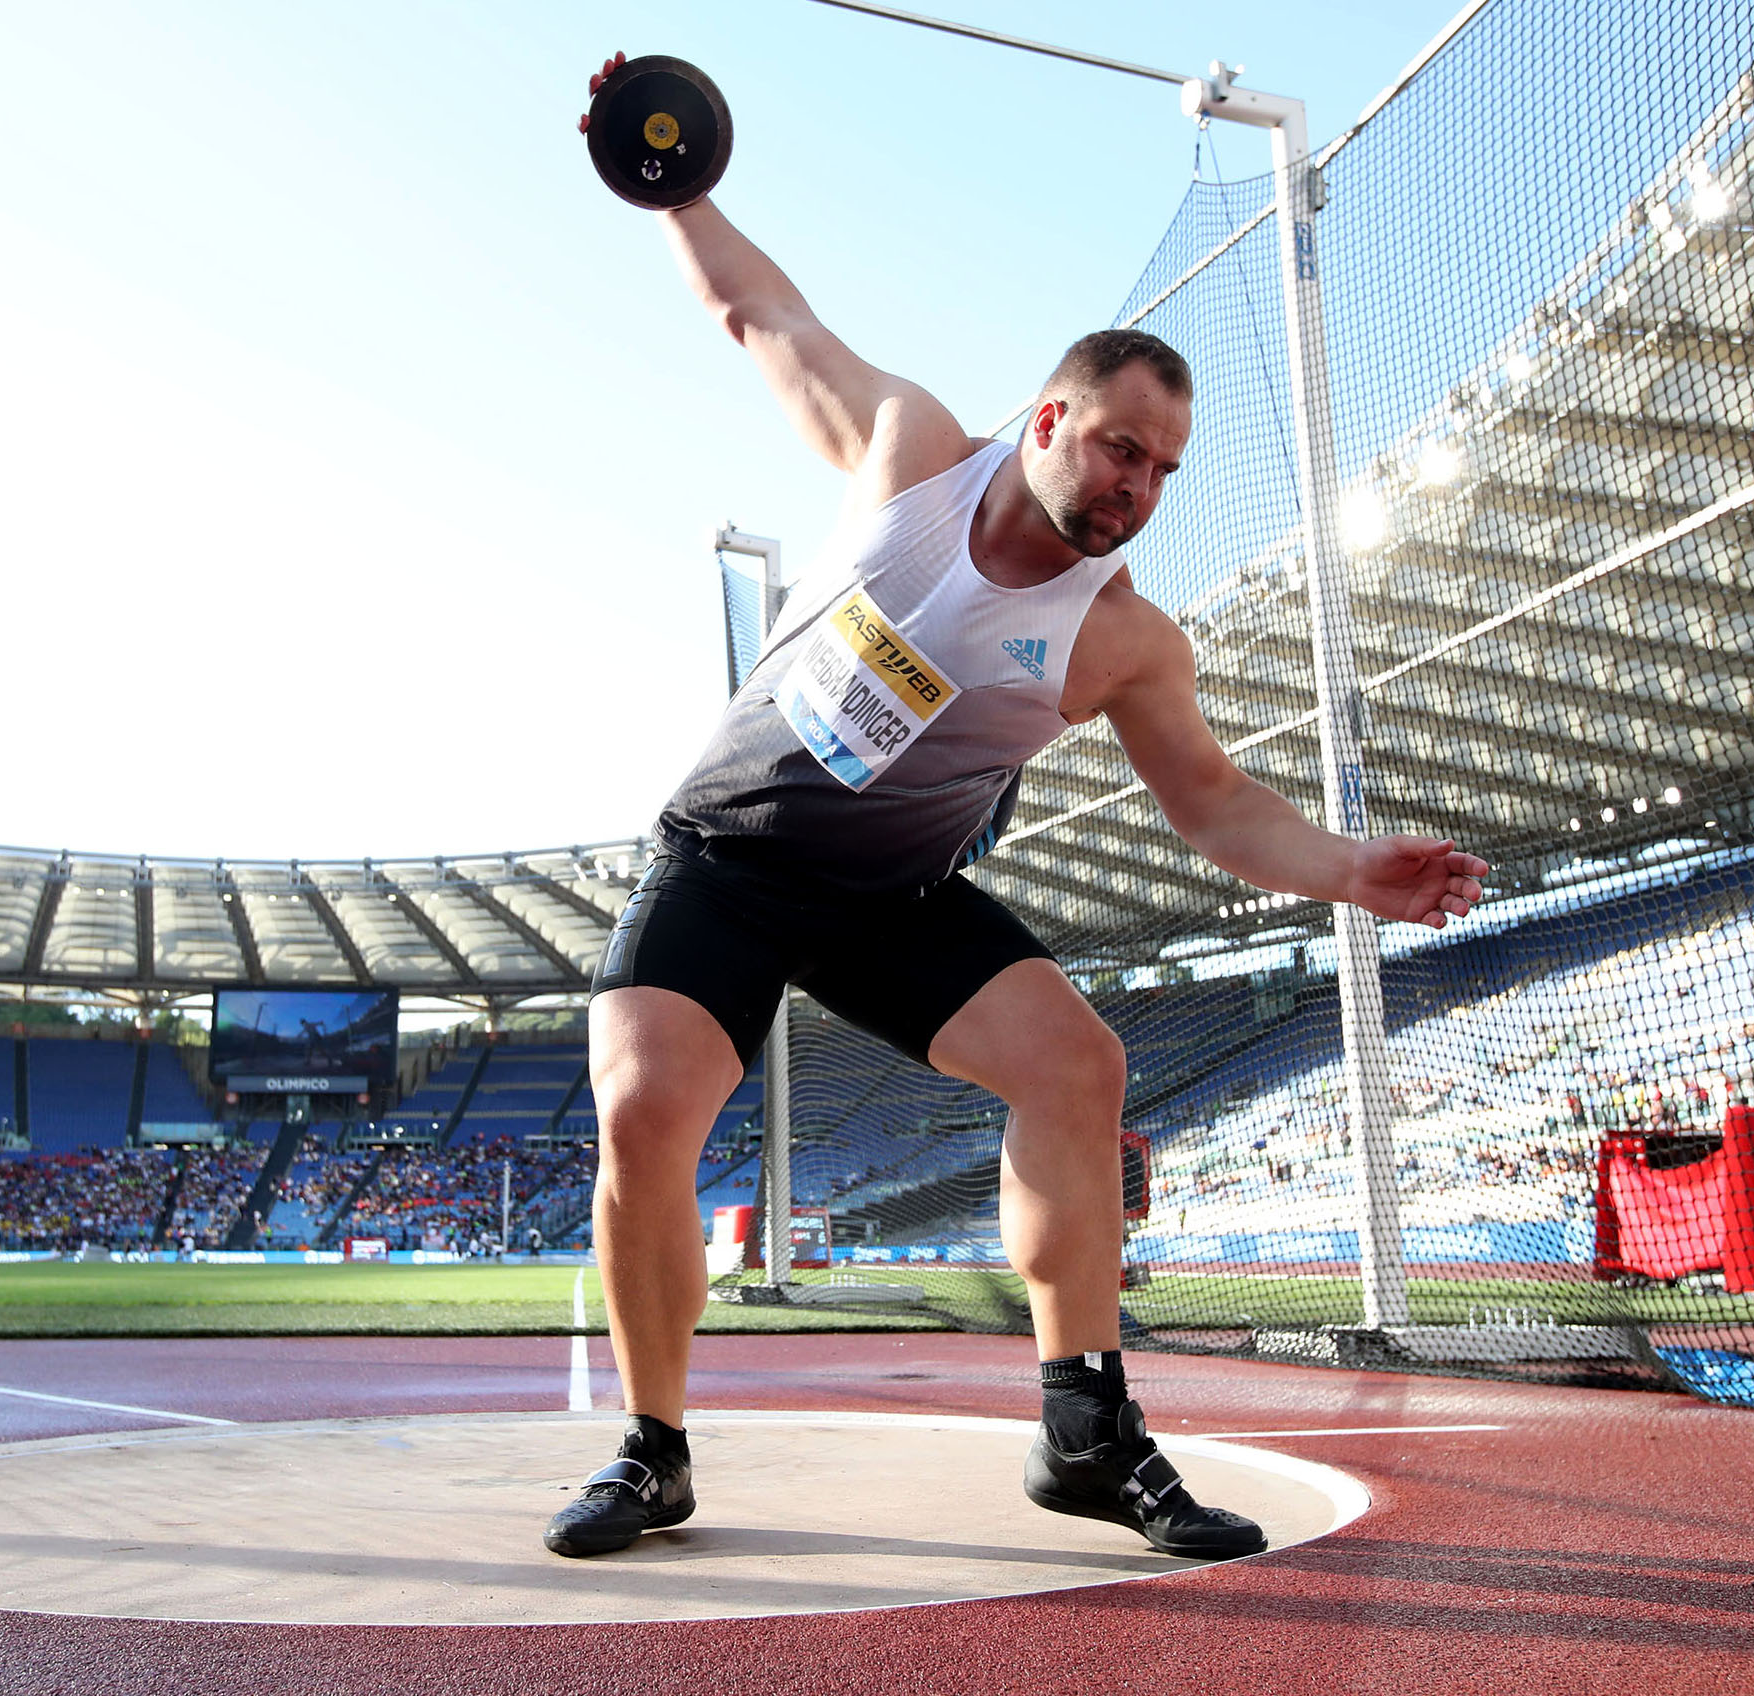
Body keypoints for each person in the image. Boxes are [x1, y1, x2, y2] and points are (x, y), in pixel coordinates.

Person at [548, 53, 1491, 1560]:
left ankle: (1085, 1432)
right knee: (646, 1106)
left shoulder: (1123, 640)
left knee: (1076, 1064)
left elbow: (1215, 805)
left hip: (890, 901)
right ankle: (653, 1451)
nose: (1137, 489)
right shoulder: (909, 455)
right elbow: (761, 316)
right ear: (1048, 419)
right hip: (727, 858)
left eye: (1163, 470)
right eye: (1121, 447)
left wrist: (1349, 870)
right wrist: (676, 190)